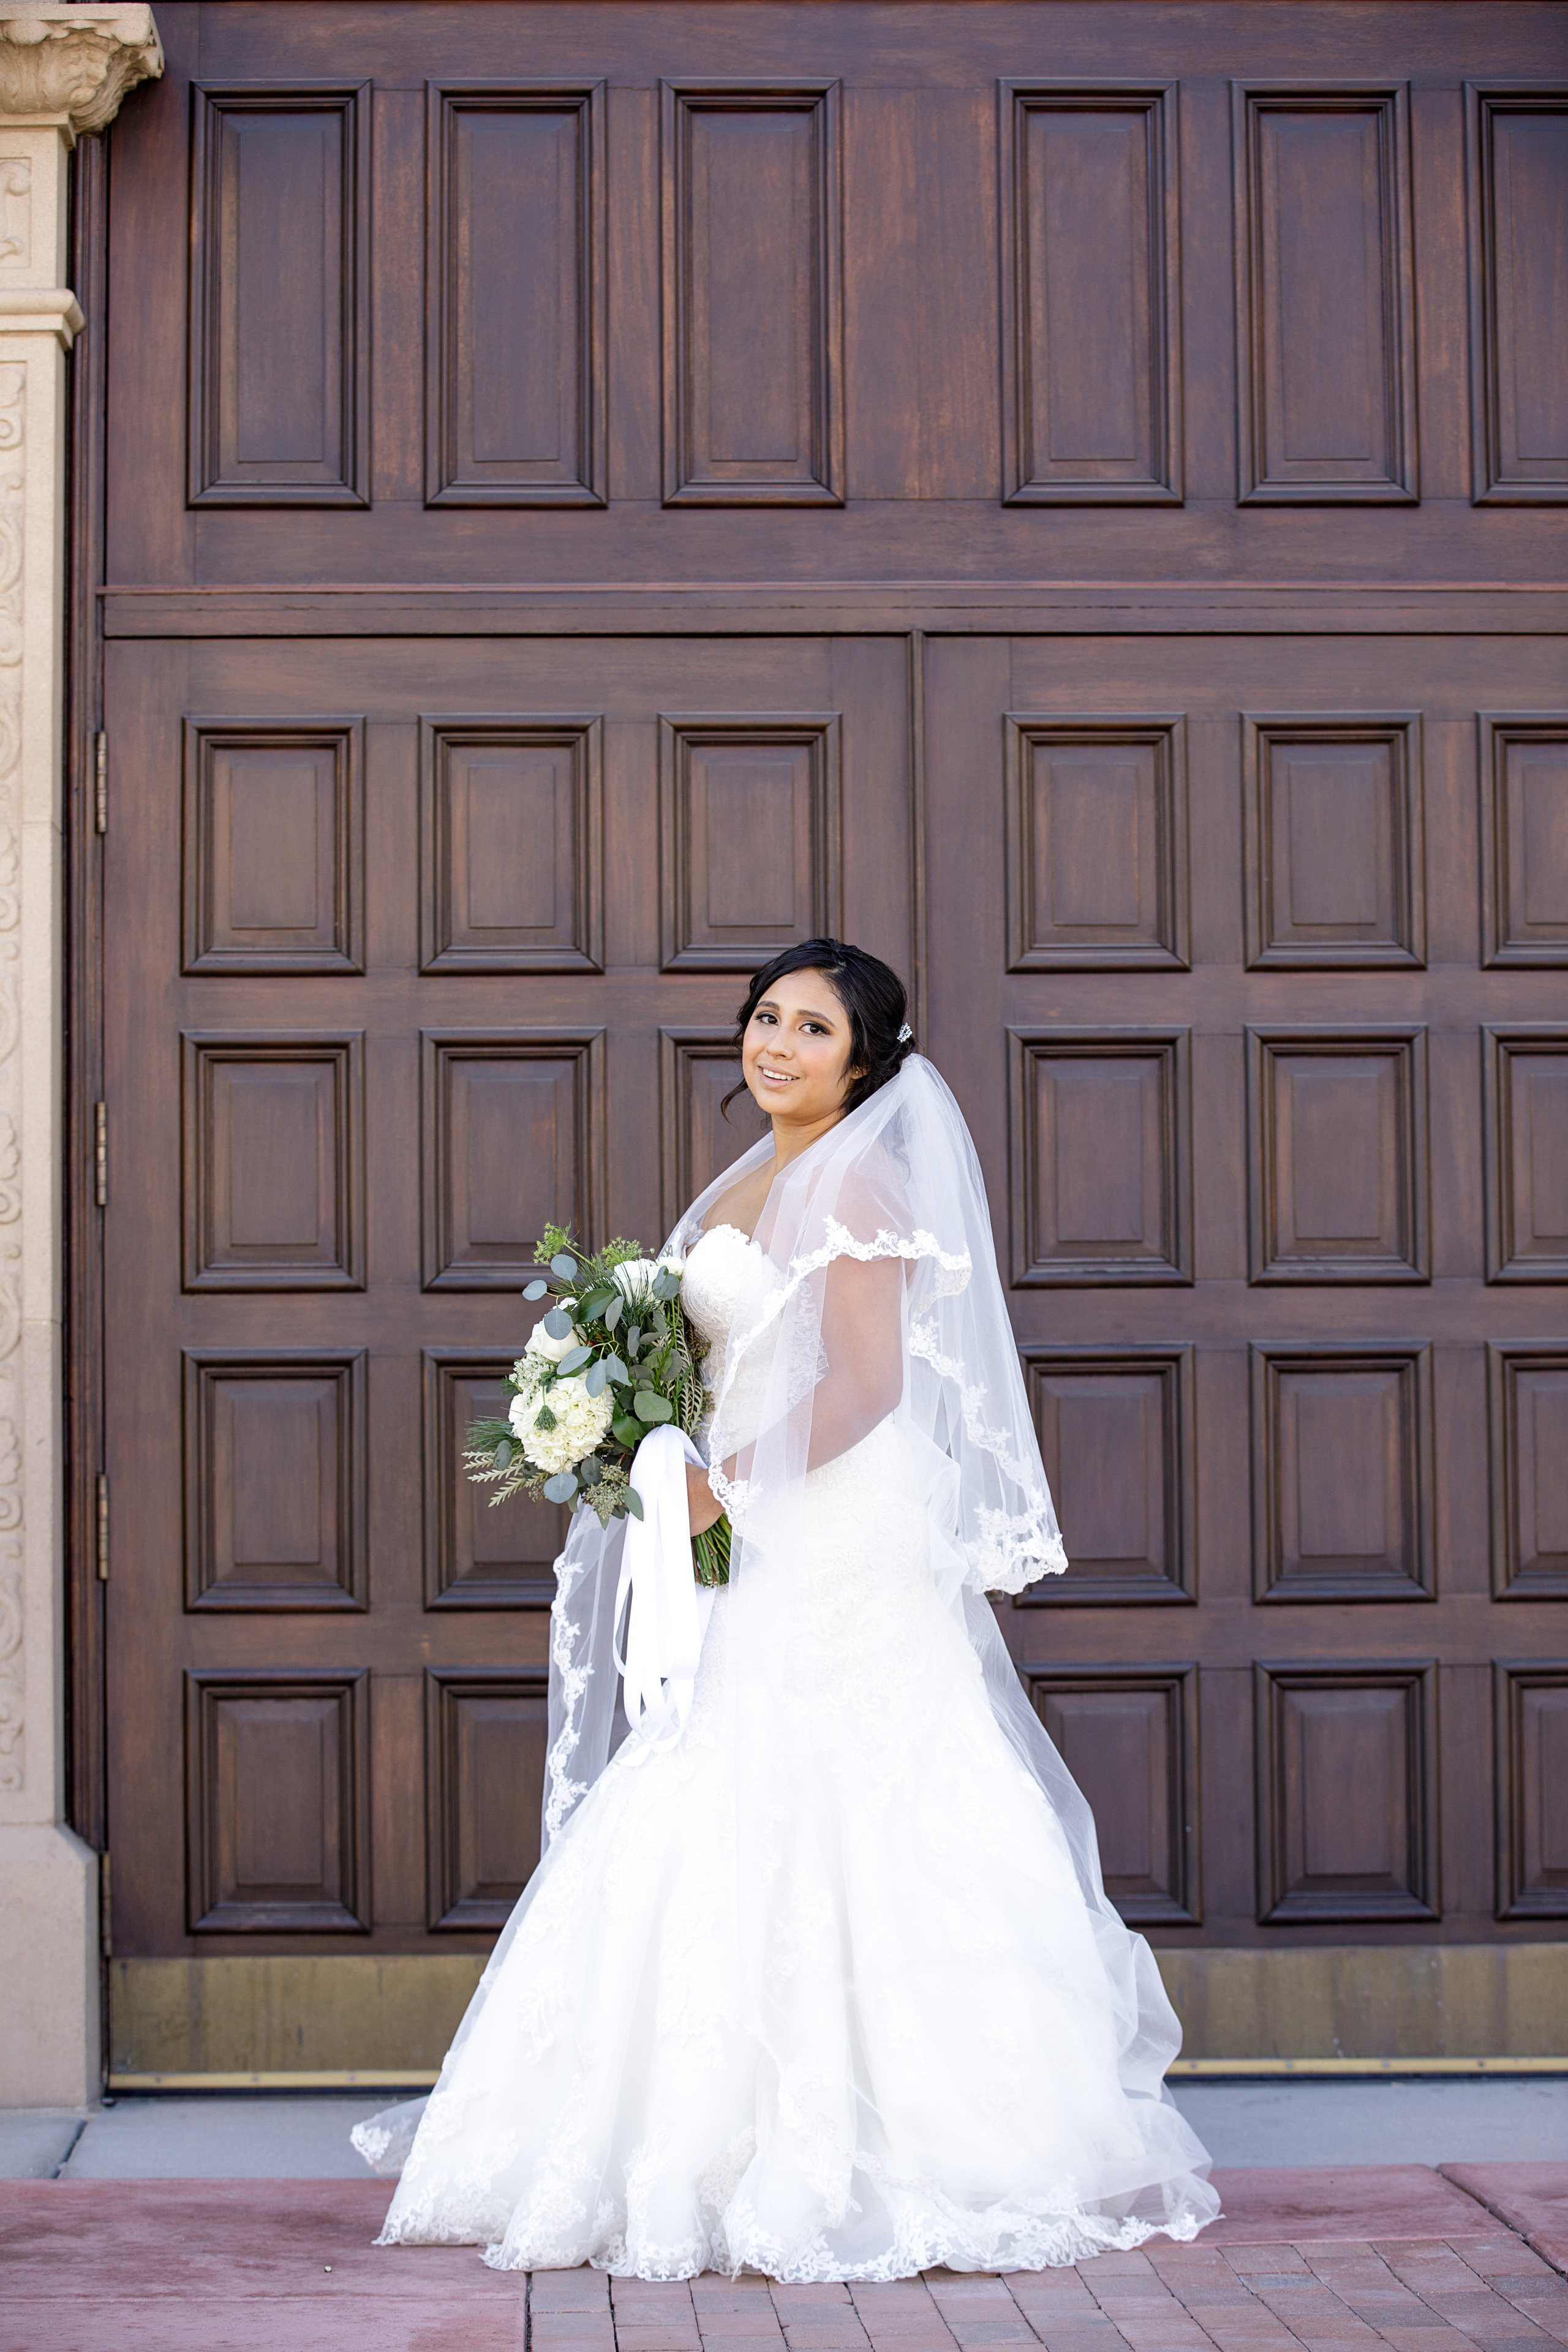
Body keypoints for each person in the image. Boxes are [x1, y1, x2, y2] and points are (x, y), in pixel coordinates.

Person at [352, 938, 1217, 2282]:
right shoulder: (754, 1173)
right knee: (717, 1772)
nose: (778, 1044)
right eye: (767, 1017)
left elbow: (866, 1383)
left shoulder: (858, 1182)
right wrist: (620, 1421)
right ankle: (692, 2127)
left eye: (814, 1028)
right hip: (756, 1504)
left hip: (831, 1521)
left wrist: (723, 1484)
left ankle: (890, 2143)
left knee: (823, 1782)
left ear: (864, 1061)